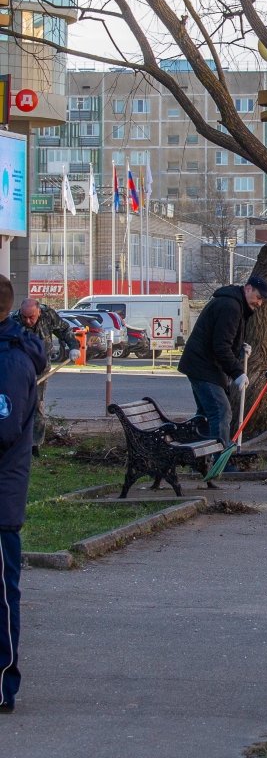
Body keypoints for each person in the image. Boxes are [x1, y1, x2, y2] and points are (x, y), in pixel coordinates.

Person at [0, 275, 46, 713]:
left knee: (1, 593)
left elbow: (5, 426)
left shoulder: (11, 359)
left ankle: (2, 684)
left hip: (0, 500)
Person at [177, 277, 267, 444]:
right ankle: (220, 461)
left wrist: (239, 346)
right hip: (203, 366)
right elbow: (221, 346)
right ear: (248, 289)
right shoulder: (231, 307)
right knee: (221, 412)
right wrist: (238, 372)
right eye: (258, 297)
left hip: (201, 364)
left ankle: (200, 460)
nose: (259, 303)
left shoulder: (234, 304)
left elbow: (221, 335)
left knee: (206, 415)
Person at [10, 300, 78, 456]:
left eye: (31, 317)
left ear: (39, 312)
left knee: (36, 404)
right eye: (24, 317)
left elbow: (64, 330)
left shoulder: (49, 316)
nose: (27, 321)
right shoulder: (13, 321)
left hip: (41, 369)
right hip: (19, 369)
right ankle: (15, 442)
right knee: (16, 404)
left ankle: (34, 445)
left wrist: (74, 347)